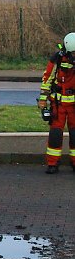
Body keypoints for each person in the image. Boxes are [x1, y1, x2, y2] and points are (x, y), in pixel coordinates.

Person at [38, 32, 75, 174]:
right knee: (55, 135)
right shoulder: (57, 60)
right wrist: (43, 98)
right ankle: (52, 163)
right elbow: (47, 79)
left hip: (73, 106)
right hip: (58, 104)